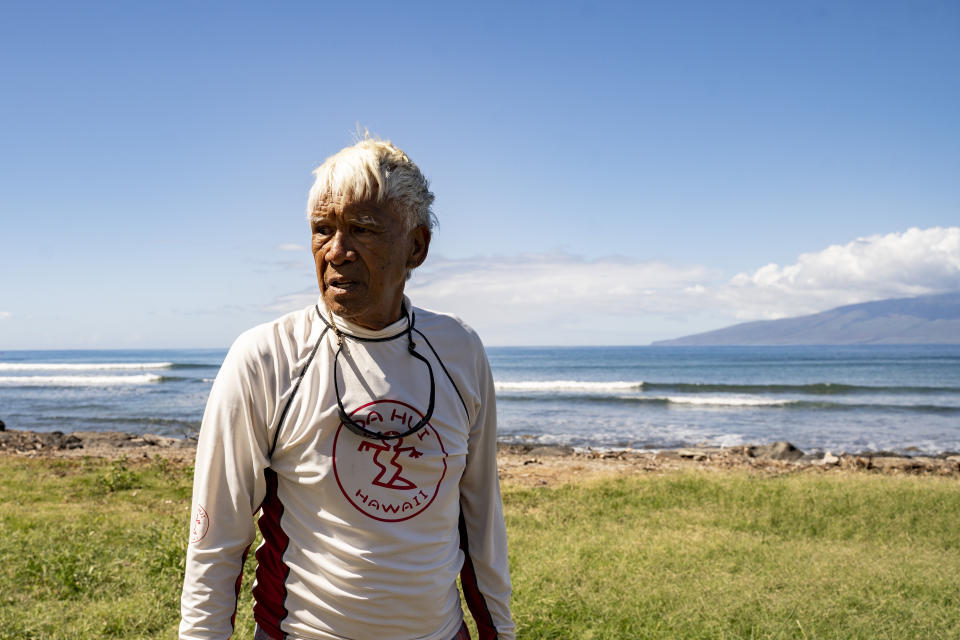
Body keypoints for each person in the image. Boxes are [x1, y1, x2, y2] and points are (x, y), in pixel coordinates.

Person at [179, 138, 514, 640]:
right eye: (322, 230)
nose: (337, 252)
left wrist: (500, 633)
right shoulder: (266, 357)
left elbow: (481, 518)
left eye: (363, 230)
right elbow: (216, 539)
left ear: (416, 247)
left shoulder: (459, 351)